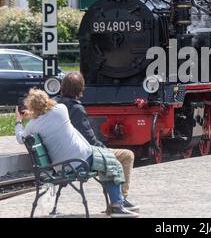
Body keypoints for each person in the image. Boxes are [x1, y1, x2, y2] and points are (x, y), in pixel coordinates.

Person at [15, 89, 138, 218]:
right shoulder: (60, 110)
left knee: (107, 160)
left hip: (63, 165)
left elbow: (20, 137)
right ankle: (117, 206)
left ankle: (118, 202)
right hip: (80, 160)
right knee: (111, 162)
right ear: (46, 100)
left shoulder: (32, 125)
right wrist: (35, 111)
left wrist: (19, 120)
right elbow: (52, 104)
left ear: (31, 107)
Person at [55, 72, 139, 212]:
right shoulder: (76, 109)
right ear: (80, 89)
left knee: (108, 157)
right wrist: (104, 149)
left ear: (62, 87)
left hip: (59, 158)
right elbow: (90, 140)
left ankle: (118, 200)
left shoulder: (55, 105)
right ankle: (120, 200)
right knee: (127, 155)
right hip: (78, 157)